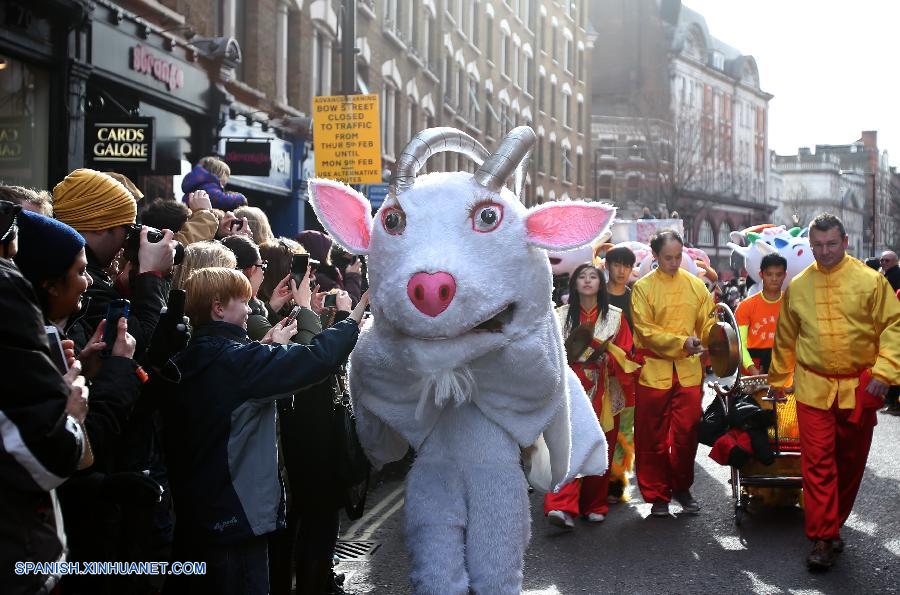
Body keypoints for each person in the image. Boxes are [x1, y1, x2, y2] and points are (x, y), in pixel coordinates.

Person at [161, 268, 367, 595]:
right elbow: (316, 359)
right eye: (242, 301)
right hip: (238, 521)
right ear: (218, 308)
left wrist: (265, 347)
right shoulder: (239, 363)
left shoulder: (187, 356)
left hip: (197, 517)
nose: (249, 309)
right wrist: (352, 319)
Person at [768, 213, 900, 570]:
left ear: (844, 241)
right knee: (818, 464)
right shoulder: (798, 286)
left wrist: (886, 372)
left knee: (850, 464)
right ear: (810, 246)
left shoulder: (872, 281)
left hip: (860, 388)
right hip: (812, 389)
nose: (824, 252)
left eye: (831, 244)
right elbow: (785, 339)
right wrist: (779, 383)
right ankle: (822, 538)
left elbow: (893, 326)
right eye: (817, 246)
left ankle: (834, 524)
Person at [0, 201, 93, 595]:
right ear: (48, 284)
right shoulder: (7, 293)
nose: (87, 282)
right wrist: (72, 411)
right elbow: (52, 453)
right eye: (79, 271)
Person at [544, 264, 638, 528]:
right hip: (570, 388)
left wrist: (610, 357)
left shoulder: (616, 317)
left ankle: (594, 503)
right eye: (581, 277)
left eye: (593, 277)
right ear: (574, 284)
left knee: (601, 443)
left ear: (601, 283)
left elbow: (628, 352)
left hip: (605, 388)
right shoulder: (559, 315)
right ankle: (561, 505)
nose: (587, 281)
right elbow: (548, 352)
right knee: (567, 444)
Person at [630, 229, 716, 517]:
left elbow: (708, 323)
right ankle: (657, 495)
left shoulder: (696, 286)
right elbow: (645, 331)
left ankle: (682, 487)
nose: (674, 262)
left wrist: (713, 341)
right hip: (654, 371)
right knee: (650, 435)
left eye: (678, 256)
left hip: (689, 373)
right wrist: (682, 343)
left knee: (687, 434)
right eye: (668, 257)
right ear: (655, 256)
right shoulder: (643, 288)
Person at [53, 168, 177, 360]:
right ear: (101, 225)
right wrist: (151, 275)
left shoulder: (79, 273)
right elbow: (143, 345)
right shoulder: (79, 283)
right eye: (126, 230)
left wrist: (126, 289)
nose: (125, 243)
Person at [603, 246, 638, 502]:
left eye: (626, 265)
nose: (621, 270)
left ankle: (616, 480)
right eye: (617, 264)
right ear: (607, 266)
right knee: (598, 426)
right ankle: (593, 479)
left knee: (624, 427)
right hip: (597, 372)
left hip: (627, 374)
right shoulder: (595, 295)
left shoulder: (636, 298)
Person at [734, 253, 788, 375]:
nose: (774, 279)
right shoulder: (745, 306)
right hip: (754, 369)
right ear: (761, 275)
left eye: (778, 274)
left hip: (784, 367)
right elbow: (740, 344)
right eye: (769, 274)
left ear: (785, 276)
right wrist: (752, 369)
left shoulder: (793, 303)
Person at [181, 155, 248, 210]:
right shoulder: (209, 187)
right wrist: (241, 197)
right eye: (226, 175)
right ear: (219, 174)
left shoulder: (195, 186)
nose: (226, 180)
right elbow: (221, 199)